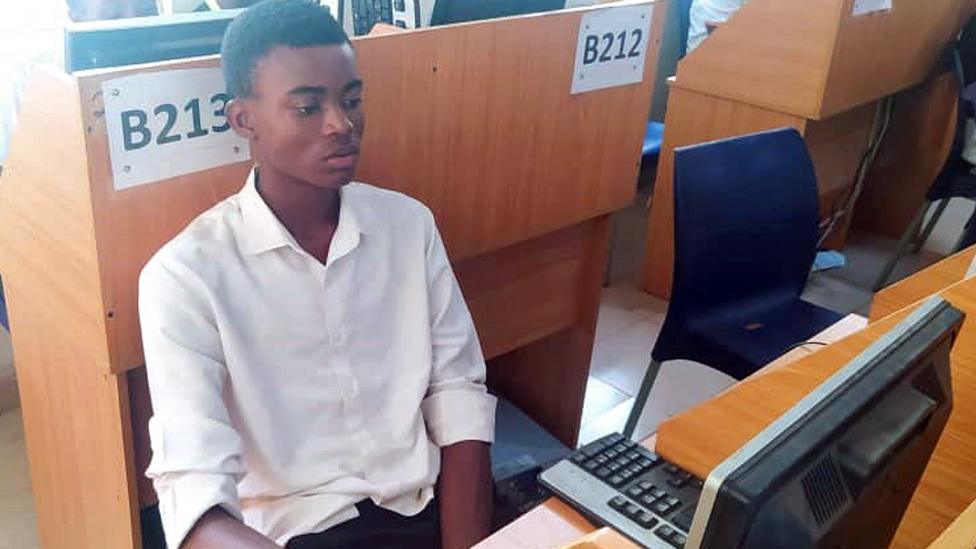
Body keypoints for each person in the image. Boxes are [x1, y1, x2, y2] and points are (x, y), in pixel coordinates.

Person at [138, 1, 496, 548]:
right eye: (307, 108)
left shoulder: (407, 225)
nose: (341, 124)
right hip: (299, 533)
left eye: (351, 100)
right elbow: (194, 493)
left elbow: (458, 393)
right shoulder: (185, 275)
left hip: (425, 506)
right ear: (243, 120)